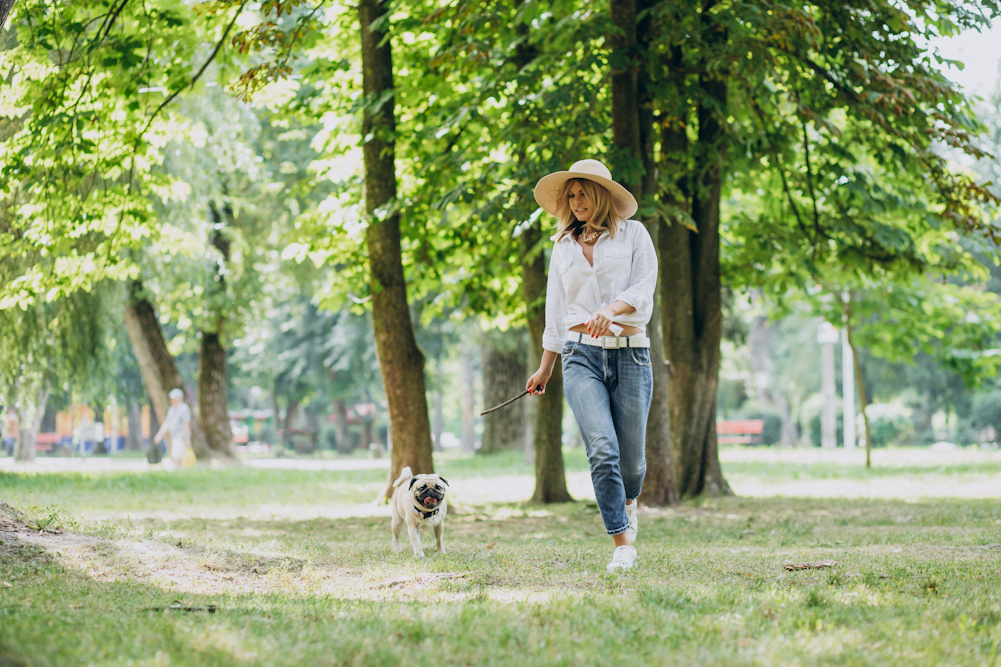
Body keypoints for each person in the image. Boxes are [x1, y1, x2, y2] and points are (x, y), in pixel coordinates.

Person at [526, 159, 657, 573]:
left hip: (630, 352)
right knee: (602, 448)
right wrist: (546, 367)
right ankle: (621, 542)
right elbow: (556, 310)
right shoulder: (562, 245)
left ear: (601, 194)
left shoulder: (634, 235)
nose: (576, 201)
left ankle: (629, 500)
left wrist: (610, 310)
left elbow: (644, 291)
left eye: (583, 192)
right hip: (579, 354)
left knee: (631, 459)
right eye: (571, 194)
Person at [153, 388, 192, 468]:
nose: (172, 401)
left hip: (180, 437)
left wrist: (187, 439)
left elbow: (186, 424)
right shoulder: (172, 409)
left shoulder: (184, 408)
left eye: (174, 399)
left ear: (179, 398)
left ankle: (177, 470)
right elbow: (167, 423)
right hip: (174, 437)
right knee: (175, 455)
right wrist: (159, 435)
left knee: (177, 456)